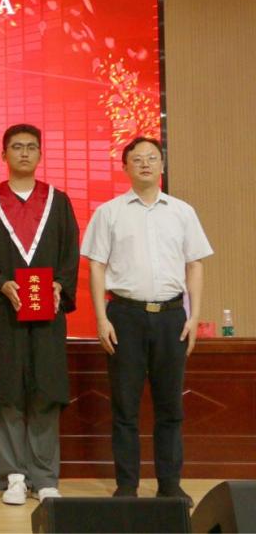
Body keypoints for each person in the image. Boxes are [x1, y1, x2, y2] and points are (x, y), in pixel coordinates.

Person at [81, 136, 212, 507]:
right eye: (137, 159)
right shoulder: (109, 212)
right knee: (125, 408)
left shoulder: (182, 212)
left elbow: (195, 264)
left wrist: (194, 315)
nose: (145, 164)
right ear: (125, 167)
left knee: (170, 408)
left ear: (162, 165)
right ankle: (127, 486)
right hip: (125, 316)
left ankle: (170, 485)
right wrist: (101, 318)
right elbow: (96, 266)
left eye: (152, 158)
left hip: (171, 317)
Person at [0, 124, 80, 505]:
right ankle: (13, 476)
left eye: (32, 147)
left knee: (46, 391)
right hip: (6, 313)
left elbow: (69, 253)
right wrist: (1, 284)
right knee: (8, 393)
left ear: (40, 154)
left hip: (48, 313)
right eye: (17, 147)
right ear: (4, 155)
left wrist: (60, 284)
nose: (25, 153)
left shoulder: (58, 202)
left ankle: (45, 477)